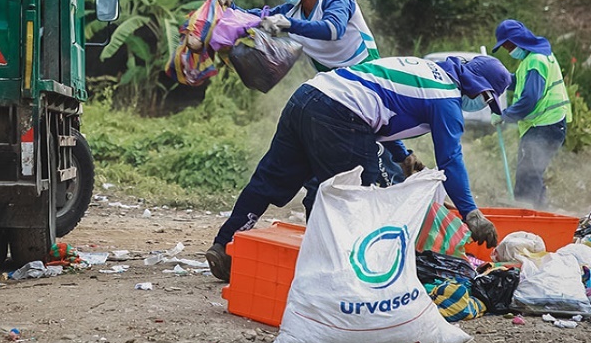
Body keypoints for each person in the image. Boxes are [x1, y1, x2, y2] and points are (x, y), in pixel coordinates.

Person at [205, 54, 511, 282]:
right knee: (354, 198)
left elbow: (384, 102)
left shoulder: (425, 69)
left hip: (308, 96)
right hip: (341, 113)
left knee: (271, 178)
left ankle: (224, 246)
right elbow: (450, 161)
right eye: (486, 100)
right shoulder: (445, 98)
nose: (482, 106)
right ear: (480, 89)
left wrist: (403, 156)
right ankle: (333, 274)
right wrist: (472, 214)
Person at [211, 0, 421, 209]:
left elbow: (333, 29)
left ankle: (405, 169)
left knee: (379, 139)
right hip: (335, 88)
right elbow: (256, 17)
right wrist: (230, 8)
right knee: (362, 143)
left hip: (366, 79)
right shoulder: (292, 10)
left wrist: (289, 24)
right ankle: (406, 159)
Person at [491, 19, 572, 207]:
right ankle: (539, 215)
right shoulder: (534, 57)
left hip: (545, 125)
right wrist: (498, 79)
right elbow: (520, 82)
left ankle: (528, 218)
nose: (508, 50)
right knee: (532, 174)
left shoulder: (535, 61)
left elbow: (529, 99)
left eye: (508, 45)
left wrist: (505, 116)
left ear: (517, 40)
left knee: (528, 175)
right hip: (548, 125)